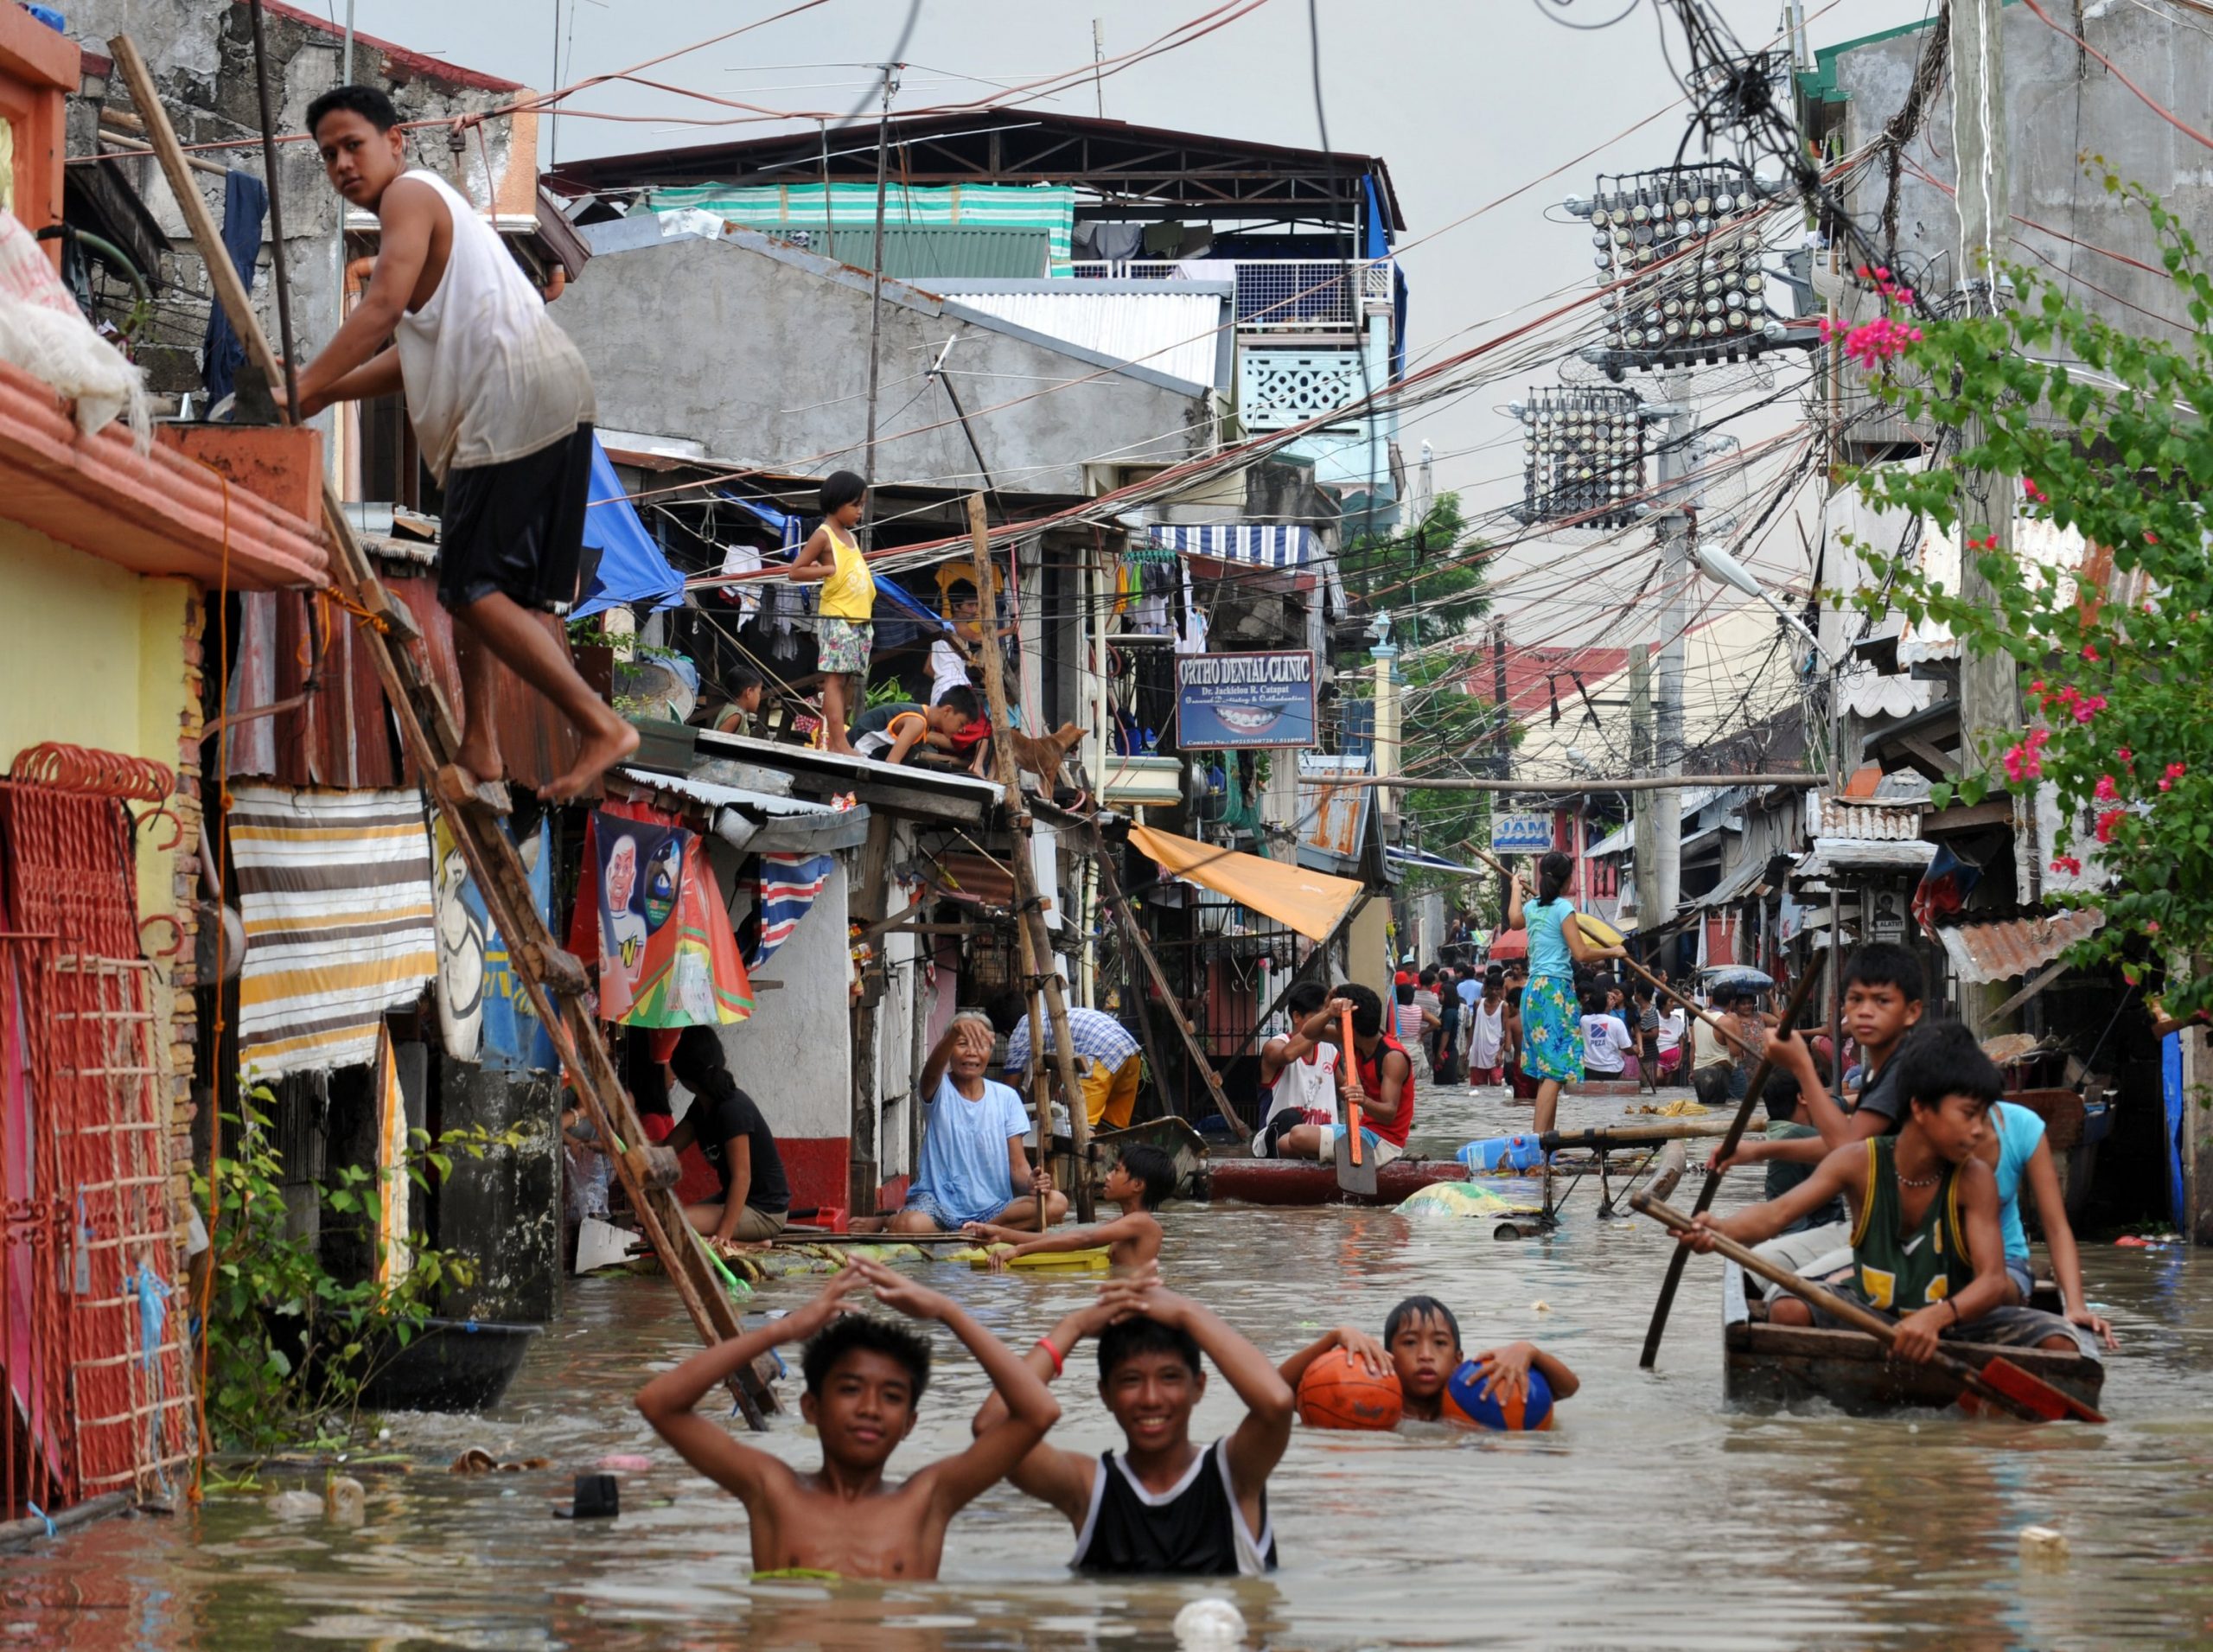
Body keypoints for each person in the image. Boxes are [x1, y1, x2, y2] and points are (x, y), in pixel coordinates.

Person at [290, 86, 632, 805]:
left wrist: (300, 386)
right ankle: (481, 744)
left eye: (354, 144)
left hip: (508, 397)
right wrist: (323, 391)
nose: (344, 164)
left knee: (469, 588)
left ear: (396, 142)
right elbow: (407, 357)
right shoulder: (435, 216)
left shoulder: (408, 197)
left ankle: (598, 722)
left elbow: (380, 309)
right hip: (548, 392)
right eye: (329, 155)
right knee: (486, 585)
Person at [1674, 1023, 2101, 1363]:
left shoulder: (1973, 1178)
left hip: (1952, 1313)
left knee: (2061, 1346)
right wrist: (1718, 1231)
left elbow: (1991, 1280)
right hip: (1874, 1304)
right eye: (1969, 1116)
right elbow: (1774, 1217)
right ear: (1920, 1108)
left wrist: (1938, 1317)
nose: (1979, 1130)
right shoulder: (1859, 1162)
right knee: (1787, 1309)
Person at [635, 1259, 1061, 1579]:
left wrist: (948, 1312)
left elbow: (1038, 1413)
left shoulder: (927, 1500)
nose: (870, 1408)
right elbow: (658, 1402)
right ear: (811, 1408)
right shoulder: (772, 1491)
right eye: (850, 1389)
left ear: (910, 1423)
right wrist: (783, 1331)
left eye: (891, 1396)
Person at [970, 1273, 1293, 1575]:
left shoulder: (1235, 1475)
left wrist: (1186, 1312)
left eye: (1169, 1378)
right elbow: (991, 1430)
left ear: (1199, 1387)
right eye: (1130, 1380)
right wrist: (1074, 1325)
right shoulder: (1088, 1489)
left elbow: (1277, 1403)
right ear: (1105, 1394)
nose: (1151, 1398)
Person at [1708, 944, 1929, 1289]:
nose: (1865, 1012)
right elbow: (1841, 1147)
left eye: (1881, 1001)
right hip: (1860, 1231)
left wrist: (1801, 1066)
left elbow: (1846, 1150)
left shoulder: (1907, 1070)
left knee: (1780, 1297)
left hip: (1902, 1241)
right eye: (1855, 1000)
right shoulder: (1875, 1074)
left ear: (1912, 1011)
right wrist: (1757, 1151)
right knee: (1748, 1269)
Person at [889, 1013, 1068, 1234]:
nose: (972, 1052)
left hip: (994, 1209)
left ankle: (975, 1230)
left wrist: (1031, 1182)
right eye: (962, 1044)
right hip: (937, 1205)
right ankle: (970, 1231)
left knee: (1057, 1203)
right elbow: (930, 1073)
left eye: (980, 1045)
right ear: (948, 1049)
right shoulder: (938, 1088)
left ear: (990, 1051)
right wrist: (955, 1031)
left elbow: (1018, 1166)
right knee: (908, 1225)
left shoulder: (1006, 1097)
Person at [1279, 1295, 1579, 1426]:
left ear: (1458, 1361)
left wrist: (1529, 1351)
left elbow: (1567, 1389)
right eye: (1409, 1343)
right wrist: (1334, 1337)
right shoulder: (1366, 1404)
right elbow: (1275, 1394)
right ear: (1389, 1358)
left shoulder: (1477, 1396)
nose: (1425, 1354)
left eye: (1439, 1343)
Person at [1504, 851, 1628, 1137]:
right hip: (1554, 992)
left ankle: (1546, 1140)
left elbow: (1513, 919)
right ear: (1567, 879)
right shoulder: (1562, 909)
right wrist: (1614, 951)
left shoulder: (1534, 907)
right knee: (1555, 1071)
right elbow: (1581, 953)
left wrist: (1514, 889)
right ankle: (1538, 1143)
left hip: (1534, 991)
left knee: (1549, 1070)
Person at [1981, 1098, 2118, 1348]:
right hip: (1943, 1268)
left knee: (1993, 1287)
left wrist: (2076, 1306)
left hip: (2001, 1266)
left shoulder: (2019, 1125)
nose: (1974, 1131)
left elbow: (2056, 1228)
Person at [659, 1025, 790, 1242]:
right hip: (735, 1201)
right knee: (663, 1227)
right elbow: (666, 1149)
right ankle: (752, 1243)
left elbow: (742, 1177)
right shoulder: (701, 1106)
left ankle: (746, 1243)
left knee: (672, 1225)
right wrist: (614, 1145)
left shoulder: (732, 1110)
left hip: (765, 1212)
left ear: (686, 1078)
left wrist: (723, 1237)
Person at [964, 1144, 1175, 1272]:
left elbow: (1083, 1240)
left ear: (1138, 1185)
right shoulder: (1125, 1223)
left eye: (1117, 1170)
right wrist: (1001, 1235)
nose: (1108, 1175)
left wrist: (1018, 1250)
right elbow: (1062, 1238)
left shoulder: (1143, 1223)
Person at [1270, 985, 1413, 1168]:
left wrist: (1363, 1100)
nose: (1334, 1027)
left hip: (1384, 1144)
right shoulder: (1356, 1041)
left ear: (1349, 1026)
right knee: (1284, 1142)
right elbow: (1308, 1032)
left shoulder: (1392, 1057)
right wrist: (1329, 1011)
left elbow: (1388, 1115)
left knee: (1298, 1135)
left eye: (1337, 1022)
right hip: (1363, 1132)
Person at [787, 471, 873, 754]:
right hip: (838, 618)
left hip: (858, 619)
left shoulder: (849, 536)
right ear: (837, 502)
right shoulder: (823, 535)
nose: (860, 511)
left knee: (845, 680)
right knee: (834, 681)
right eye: (856, 504)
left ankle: (835, 740)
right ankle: (839, 744)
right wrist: (827, 570)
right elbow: (795, 571)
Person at [995, 997, 1145, 1134]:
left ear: (1006, 1031)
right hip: (1131, 1053)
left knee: (1082, 1129)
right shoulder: (1050, 1018)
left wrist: (1001, 1120)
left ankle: (1085, 1163)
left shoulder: (1023, 1027)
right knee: (1112, 1130)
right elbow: (1066, 1051)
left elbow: (1009, 1088)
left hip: (1102, 1054)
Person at [1251, 980, 1340, 1158]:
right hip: (1277, 1140)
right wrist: (1328, 1014)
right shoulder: (1275, 1045)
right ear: (1297, 1016)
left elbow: (1347, 1089)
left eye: (1325, 1019)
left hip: (1318, 1141)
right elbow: (1288, 1054)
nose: (1323, 1024)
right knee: (1291, 1118)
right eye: (1319, 1018)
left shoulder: (1330, 1051)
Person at [851, 688, 984, 768]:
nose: (962, 730)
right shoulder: (917, 722)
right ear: (947, 710)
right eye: (962, 723)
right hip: (856, 757)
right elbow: (892, 763)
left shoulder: (923, 721)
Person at [1466, 966, 1508, 1089]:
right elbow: (1473, 1027)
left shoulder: (1504, 1006)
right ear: (1486, 988)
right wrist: (1468, 1048)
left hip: (1495, 1052)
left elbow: (1504, 1031)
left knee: (1496, 1085)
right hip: (1478, 1051)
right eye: (1491, 989)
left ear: (1501, 990)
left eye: (1497, 989)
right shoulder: (1478, 1003)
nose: (1494, 992)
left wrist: (1500, 1052)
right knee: (1477, 1088)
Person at [1579, 987, 1633, 1080]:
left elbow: (1594, 1001)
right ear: (1607, 1004)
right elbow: (1627, 1048)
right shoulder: (1617, 1022)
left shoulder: (1584, 1020)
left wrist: (1604, 998)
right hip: (1612, 1069)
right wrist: (1636, 1050)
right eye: (1609, 998)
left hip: (1589, 1068)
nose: (1612, 999)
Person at [708, 661, 766, 736]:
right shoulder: (736, 715)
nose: (759, 698)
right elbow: (718, 740)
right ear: (749, 692)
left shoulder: (731, 708)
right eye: (759, 693)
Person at [1630, 983, 1664, 1092]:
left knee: (1648, 1086)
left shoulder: (1651, 1011)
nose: (1634, 995)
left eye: (1636, 993)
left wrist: (1637, 1034)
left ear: (1640, 995)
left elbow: (1655, 1034)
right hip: (1638, 1053)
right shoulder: (1637, 1010)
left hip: (1649, 1054)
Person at [1432, 966, 1463, 1084]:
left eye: (1441, 994)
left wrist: (1440, 1053)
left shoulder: (1450, 1013)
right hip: (1445, 1053)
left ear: (1448, 996)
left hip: (1446, 1054)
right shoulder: (1446, 1011)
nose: (1438, 997)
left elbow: (1446, 1033)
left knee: (1446, 1086)